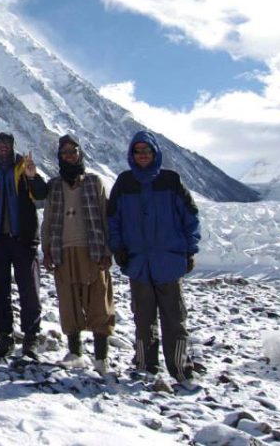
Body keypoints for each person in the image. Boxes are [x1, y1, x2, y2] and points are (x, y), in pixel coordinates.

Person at [108, 130, 201, 383]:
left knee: (174, 319)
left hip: (168, 261)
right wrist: (118, 248)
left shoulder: (171, 181)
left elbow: (190, 217)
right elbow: (112, 219)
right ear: (131, 154)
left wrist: (190, 250)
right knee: (142, 317)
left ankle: (180, 368)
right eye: (138, 152)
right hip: (138, 262)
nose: (142, 156)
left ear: (155, 153)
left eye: (146, 151)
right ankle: (144, 364)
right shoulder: (124, 183)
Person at [41, 134, 115, 373]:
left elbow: (105, 216)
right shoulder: (53, 186)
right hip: (63, 249)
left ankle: (101, 357)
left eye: (73, 152)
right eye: (64, 153)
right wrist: (47, 249)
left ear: (80, 154)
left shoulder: (94, 182)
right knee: (68, 299)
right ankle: (75, 352)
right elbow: (49, 220)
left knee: (98, 299)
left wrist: (108, 249)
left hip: (92, 249)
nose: (69, 156)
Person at [0, 132, 49, 359]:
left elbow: (41, 195)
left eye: (7, 143)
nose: (3, 147)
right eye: (0, 143)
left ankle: (31, 338)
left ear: (12, 145)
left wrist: (33, 176)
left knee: (30, 290)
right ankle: (5, 337)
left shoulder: (23, 166)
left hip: (24, 238)